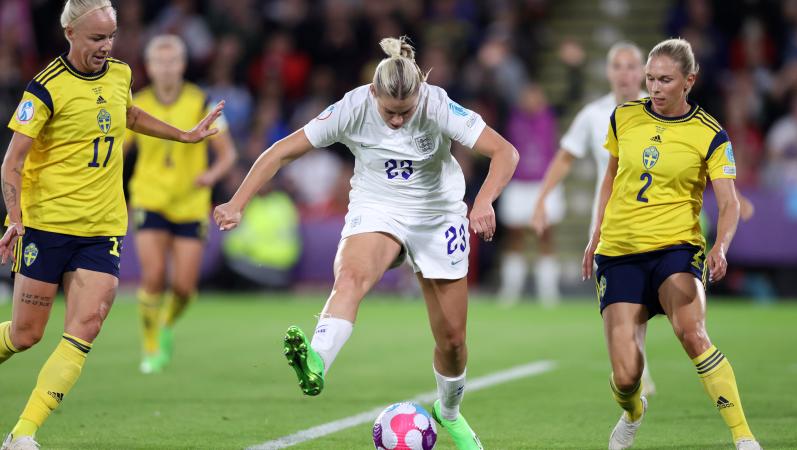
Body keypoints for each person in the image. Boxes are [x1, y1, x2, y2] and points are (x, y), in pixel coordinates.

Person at [214, 36, 518, 450]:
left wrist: (482, 201)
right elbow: (283, 151)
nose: (397, 121)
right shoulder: (352, 107)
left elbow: (505, 152)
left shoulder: (438, 104)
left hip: (438, 213)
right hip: (378, 207)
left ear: (419, 96)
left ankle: (449, 414)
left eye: (405, 112)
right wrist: (237, 201)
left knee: (452, 340)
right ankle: (317, 361)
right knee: (351, 276)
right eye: (390, 112)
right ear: (373, 93)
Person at [0, 1, 223, 448]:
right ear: (70, 32)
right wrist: (17, 220)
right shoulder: (44, 88)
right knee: (26, 335)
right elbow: (12, 163)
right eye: (97, 38)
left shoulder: (121, 73)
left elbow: (130, 116)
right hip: (47, 226)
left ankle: (24, 433)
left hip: (103, 227)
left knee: (88, 324)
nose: (106, 47)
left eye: (112, 36)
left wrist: (185, 135)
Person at [582, 38, 761, 450]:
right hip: (620, 253)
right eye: (650, 78)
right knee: (626, 376)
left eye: (665, 80)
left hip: (675, 249)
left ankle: (743, 436)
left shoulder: (710, 133)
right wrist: (596, 235)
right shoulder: (623, 117)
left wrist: (720, 247)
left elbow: (730, 202)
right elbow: (610, 177)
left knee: (693, 332)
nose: (655, 87)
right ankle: (632, 411)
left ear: (689, 81)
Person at [530, 42, 659, 395]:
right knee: (618, 309)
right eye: (618, 66)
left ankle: (637, 366)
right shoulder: (594, 114)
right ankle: (635, 370)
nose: (624, 73)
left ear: (643, 73)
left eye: (631, 66)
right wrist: (542, 199)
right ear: (608, 72)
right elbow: (565, 157)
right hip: (608, 226)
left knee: (640, 306)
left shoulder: (661, 109)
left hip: (653, 223)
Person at [124, 34, 236, 374]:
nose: (167, 68)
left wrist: (211, 175)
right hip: (149, 198)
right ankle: (150, 343)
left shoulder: (201, 101)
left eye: (173, 61)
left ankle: (167, 324)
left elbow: (228, 153)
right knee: (154, 275)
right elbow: (119, 149)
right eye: (160, 61)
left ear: (183, 65)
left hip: (190, 202)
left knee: (185, 288)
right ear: (150, 67)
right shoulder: (136, 104)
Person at [497, 82, 562, 305]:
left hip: (543, 185)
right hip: (517, 184)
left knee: (546, 236)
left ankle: (549, 293)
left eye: (535, 96)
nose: (530, 101)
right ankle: (510, 291)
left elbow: (574, 92)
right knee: (514, 237)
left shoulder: (550, 116)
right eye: (526, 96)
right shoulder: (511, 116)